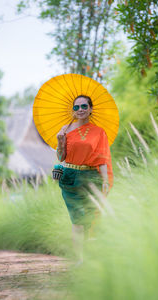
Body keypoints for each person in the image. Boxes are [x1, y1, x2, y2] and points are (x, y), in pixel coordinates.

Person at [56, 95, 113, 264]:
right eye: (76, 107)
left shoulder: (99, 132)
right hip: (70, 178)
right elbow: (61, 157)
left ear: (90, 109)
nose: (80, 110)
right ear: (73, 110)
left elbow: (101, 159)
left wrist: (105, 181)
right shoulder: (65, 129)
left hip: (91, 177)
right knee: (77, 220)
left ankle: (89, 257)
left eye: (83, 106)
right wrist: (60, 142)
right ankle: (80, 259)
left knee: (89, 219)